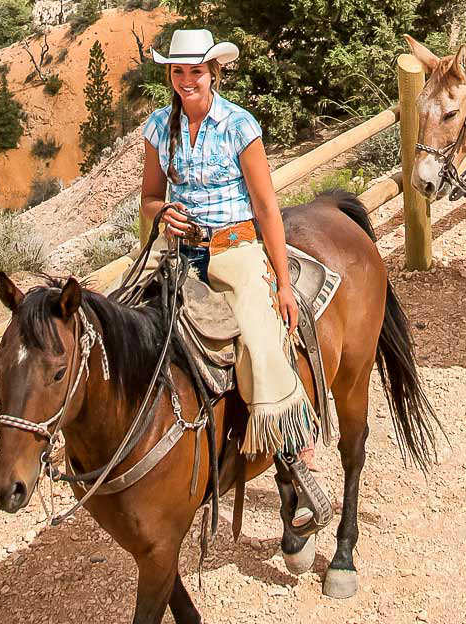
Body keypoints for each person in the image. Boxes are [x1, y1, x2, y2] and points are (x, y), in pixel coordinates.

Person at [136, 29, 329, 536]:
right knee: (130, 323)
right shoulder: (160, 128)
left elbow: (266, 205)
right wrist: (162, 216)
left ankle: (297, 452)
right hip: (181, 251)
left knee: (258, 336)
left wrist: (282, 283)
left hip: (235, 250)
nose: (186, 81)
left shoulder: (239, 125)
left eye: (195, 71)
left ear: (213, 72)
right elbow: (150, 199)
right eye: (178, 72)